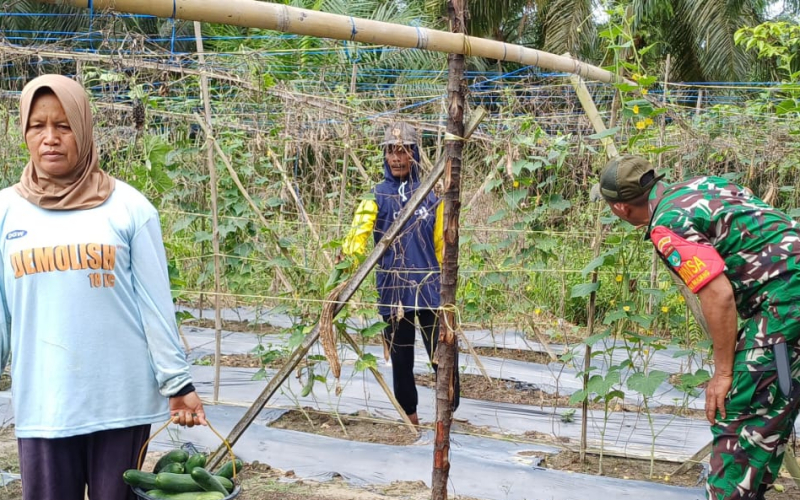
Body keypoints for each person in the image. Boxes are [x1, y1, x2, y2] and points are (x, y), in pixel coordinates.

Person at [0, 74, 205, 500]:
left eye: (64, 125)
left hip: (119, 401)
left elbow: (155, 306)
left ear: (85, 128)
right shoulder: (5, 211)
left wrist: (178, 384)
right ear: (24, 132)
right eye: (38, 126)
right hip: (45, 401)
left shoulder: (129, 208)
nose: (51, 138)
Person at [591, 154, 800, 499]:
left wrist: (722, 373)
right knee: (771, 412)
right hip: (785, 298)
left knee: (741, 418)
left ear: (620, 209)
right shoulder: (703, 185)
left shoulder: (667, 225)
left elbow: (718, 296)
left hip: (784, 301)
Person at [342, 121, 459, 426]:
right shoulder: (375, 196)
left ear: (414, 154)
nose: (396, 158)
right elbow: (357, 239)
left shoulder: (431, 196)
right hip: (394, 290)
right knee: (401, 359)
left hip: (431, 289)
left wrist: (448, 284)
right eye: (390, 151)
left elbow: (441, 245)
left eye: (403, 151)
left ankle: (445, 417)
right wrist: (344, 271)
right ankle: (412, 419)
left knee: (442, 354)